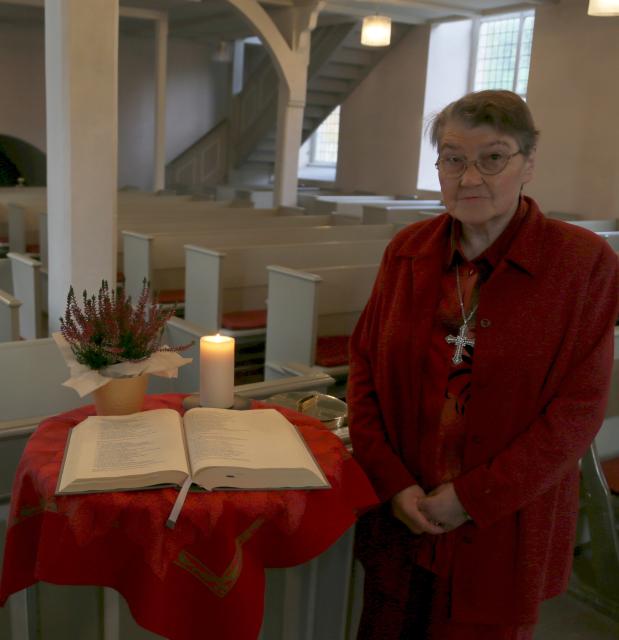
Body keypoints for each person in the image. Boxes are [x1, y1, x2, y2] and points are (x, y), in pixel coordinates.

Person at [348, 89, 619, 640]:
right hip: (400, 521)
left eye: (492, 157)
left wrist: (473, 499)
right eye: (453, 158)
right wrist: (394, 483)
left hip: (503, 530)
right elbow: (363, 371)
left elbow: (578, 412)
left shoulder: (583, 264)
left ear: (529, 163)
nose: (469, 177)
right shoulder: (406, 251)